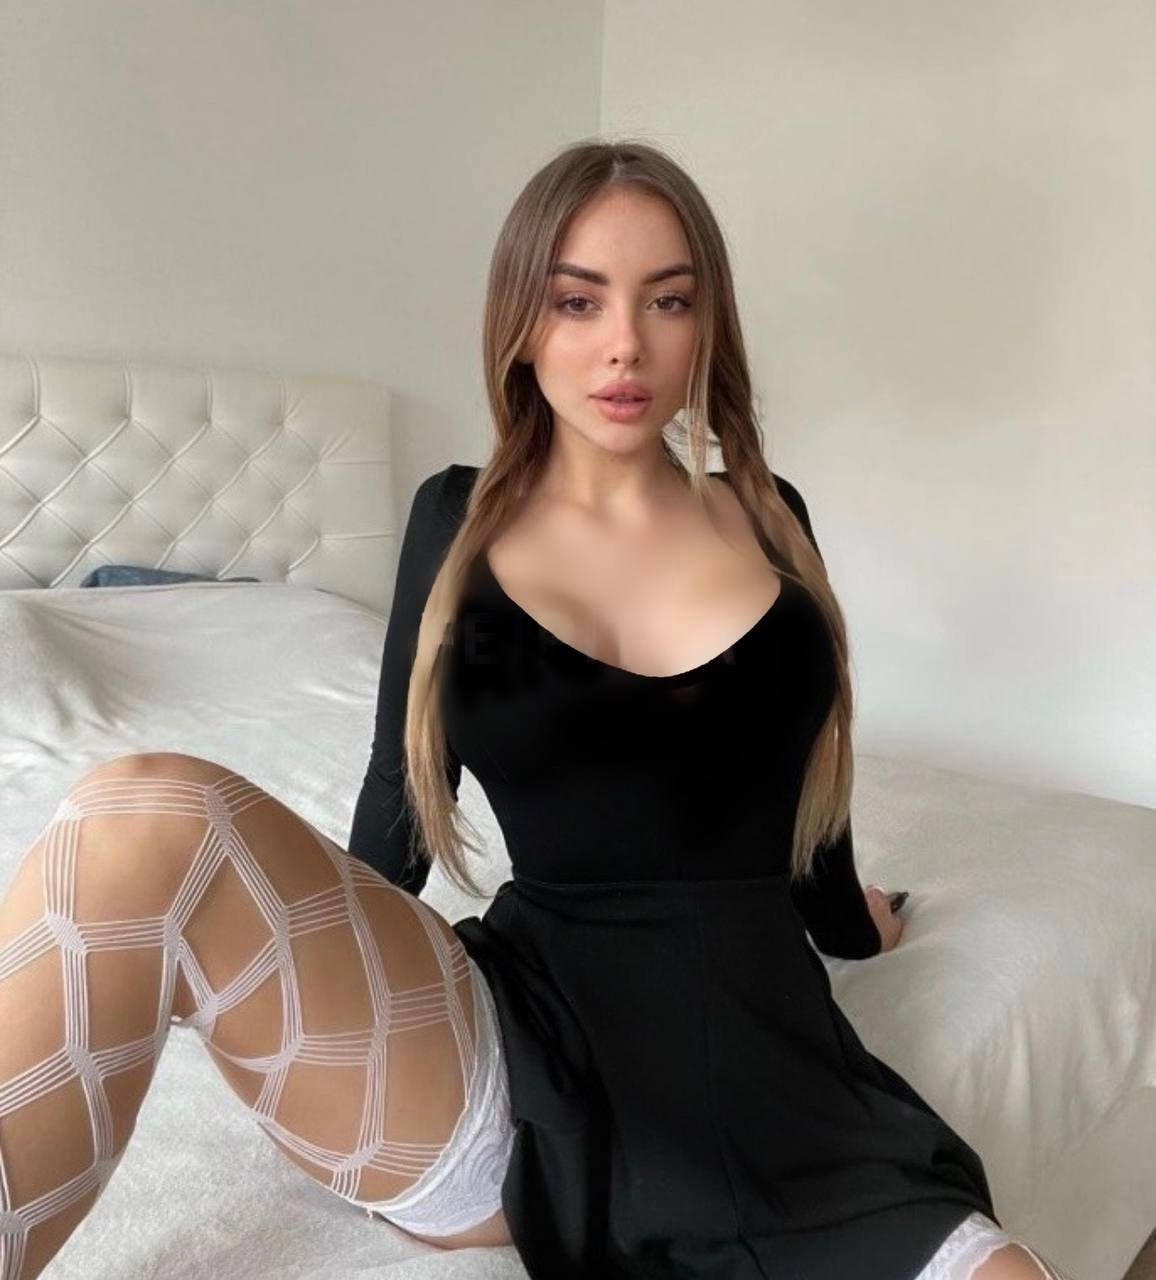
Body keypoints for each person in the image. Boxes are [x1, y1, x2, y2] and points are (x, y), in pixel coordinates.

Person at [0, 140, 1074, 1280]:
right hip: (516, 1054)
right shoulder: (456, 524)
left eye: (668, 300)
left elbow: (805, 778)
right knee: (143, 812)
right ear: (522, 321)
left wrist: (852, 924)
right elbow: (400, 797)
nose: (625, 344)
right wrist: (332, 965)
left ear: (707, 324)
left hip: (766, 1068)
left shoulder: (769, 518)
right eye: (577, 300)